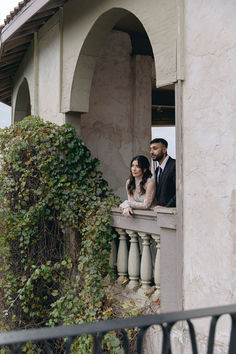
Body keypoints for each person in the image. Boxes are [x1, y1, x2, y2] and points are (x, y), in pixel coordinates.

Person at [150, 138, 176, 207]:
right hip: (160, 213)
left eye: (155, 149)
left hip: (172, 212)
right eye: (151, 149)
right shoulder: (157, 169)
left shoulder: (175, 165)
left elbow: (179, 191)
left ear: (164, 150)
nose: (151, 152)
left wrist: (166, 207)